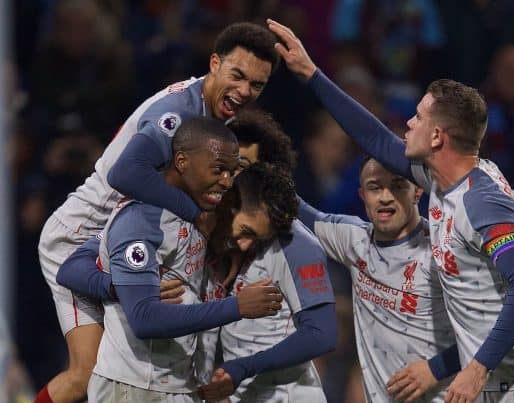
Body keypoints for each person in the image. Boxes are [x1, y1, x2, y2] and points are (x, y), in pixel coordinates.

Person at [267, 19, 514, 403]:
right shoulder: (442, 176)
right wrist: (311, 74)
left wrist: (477, 368)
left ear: (438, 136)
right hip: (490, 372)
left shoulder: (482, 204)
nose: (409, 122)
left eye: (419, 117)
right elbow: (373, 137)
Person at [36, 22, 280, 403]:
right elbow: (126, 172)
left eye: (257, 85)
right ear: (214, 63)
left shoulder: (215, 114)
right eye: (238, 75)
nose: (245, 90)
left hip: (131, 236)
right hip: (82, 236)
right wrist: (194, 212)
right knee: (85, 376)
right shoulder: (177, 111)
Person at [57, 118, 286, 402]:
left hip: (177, 388)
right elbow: (142, 318)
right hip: (133, 387)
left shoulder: (196, 219)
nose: (227, 181)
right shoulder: (143, 218)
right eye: (219, 170)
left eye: (232, 171)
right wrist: (237, 307)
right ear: (182, 161)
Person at [296, 156, 457, 402]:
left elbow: (486, 331)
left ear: (417, 193)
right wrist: (254, 163)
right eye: (375, 187)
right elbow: (293, 207)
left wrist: (436, 368)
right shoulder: (353, 240)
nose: (385, 196)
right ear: (363, 195)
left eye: (398, 186)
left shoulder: (442, 253)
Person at [200, 163, 337, 403]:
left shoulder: (297, 244)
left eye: (253, 236)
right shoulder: (214, 240)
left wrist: (243, 368)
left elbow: (321, 334)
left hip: (289, 395)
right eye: (246, 231)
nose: (244, 244)